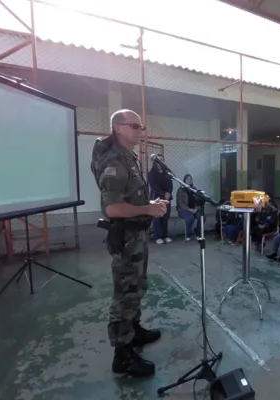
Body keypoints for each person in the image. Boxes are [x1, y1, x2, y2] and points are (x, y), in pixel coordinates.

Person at [90, 109, 168, 377]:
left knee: (136, 287)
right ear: (119, 128)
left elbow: (133, 199)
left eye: (141, 126)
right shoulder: (114, 160)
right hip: (126, 238)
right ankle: (122, 356)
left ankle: (133, 332)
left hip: (137, 235)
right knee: (125, 294)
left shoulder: (129, 158)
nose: (140, 130)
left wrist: (150, 206)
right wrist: (148, 210)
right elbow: (112, 208)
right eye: (135, 126)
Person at [148, 154, 173, 244]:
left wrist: (169, 193)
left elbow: (170, 184)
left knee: (165, 217)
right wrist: (163, 193)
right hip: (157, 197)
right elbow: (154, 186)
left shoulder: (166, 172)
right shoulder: (151, 173)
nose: (160, 162)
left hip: (167, 197)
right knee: (157, 217)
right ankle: (157, 236)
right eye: (158, 160)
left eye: (161, 160)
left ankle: (165, 235)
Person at [176, 174, 200, 241]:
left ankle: (198, 233)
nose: (189, 180)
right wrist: (189, 210)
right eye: (187, 179)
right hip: (183, 210)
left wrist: (196, 208)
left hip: (194, 209)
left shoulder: (194, 189)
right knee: (190, 217)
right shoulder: (181, 190)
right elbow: (180, 203)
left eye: (190, 179)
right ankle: (188, 234)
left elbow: (198, 201)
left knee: (201, 217)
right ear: (184, 180)